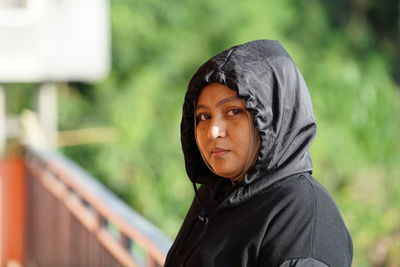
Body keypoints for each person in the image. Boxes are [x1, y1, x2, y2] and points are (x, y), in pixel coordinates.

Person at [164, 40, 353, 267]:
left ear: (271, 118)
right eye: (204, 117)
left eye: (233, 111)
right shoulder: (215, 193)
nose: (213, 131)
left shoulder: (303, 219)